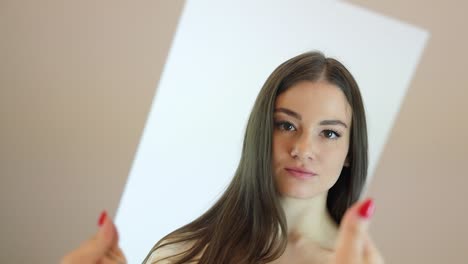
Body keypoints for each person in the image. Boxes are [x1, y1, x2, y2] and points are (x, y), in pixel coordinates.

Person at [61, 51, 384, 264]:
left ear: (350, 152)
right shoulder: (181, 253)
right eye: (286, 125)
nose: (303, 149)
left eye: (329, 133)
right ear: (260, 133)